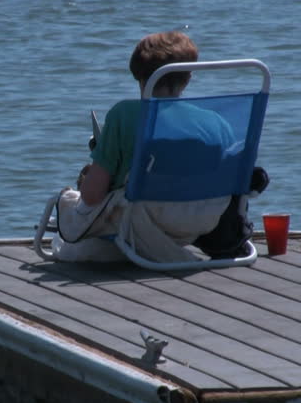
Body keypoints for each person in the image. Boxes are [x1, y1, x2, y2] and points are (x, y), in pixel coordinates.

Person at [53, 31, 235, 263]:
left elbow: (91, 196)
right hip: (202, 217)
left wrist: (87, 182)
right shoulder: (215, 122)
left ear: (138, 76)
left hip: (146, 217)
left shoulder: (124, 115)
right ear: (188, 77)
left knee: (72, 204)